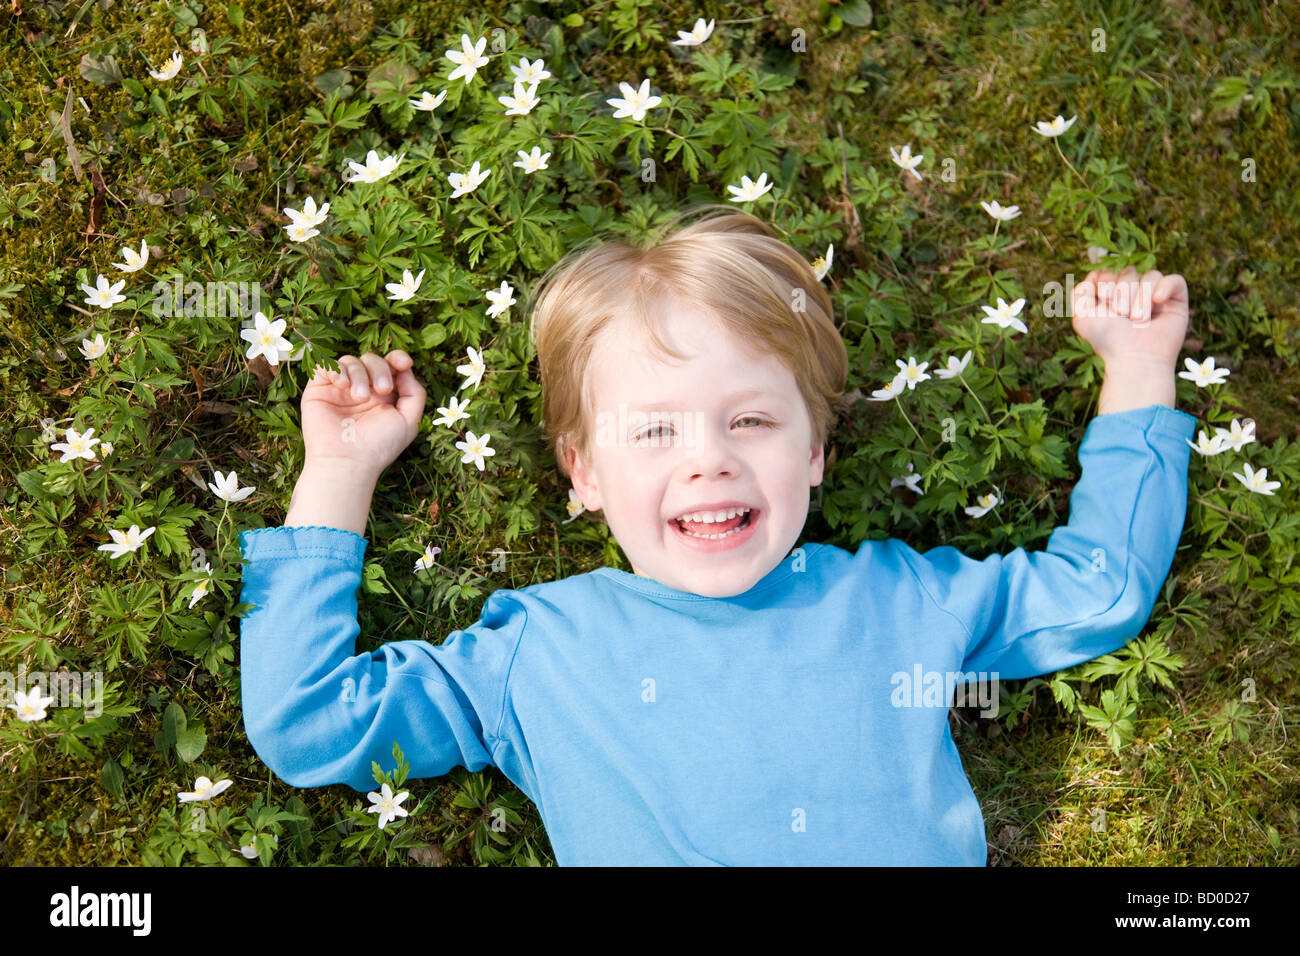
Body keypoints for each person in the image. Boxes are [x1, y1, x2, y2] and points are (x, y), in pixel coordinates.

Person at [238, 204, 1197, 865]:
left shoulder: (898, 600)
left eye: (751, 421)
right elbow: (310, 721)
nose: (710, 460)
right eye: (653, 431)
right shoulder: (536, 652)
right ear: (585, 474)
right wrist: (340, 472)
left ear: (816, 451)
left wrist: (1140, 368)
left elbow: (1098, 590)